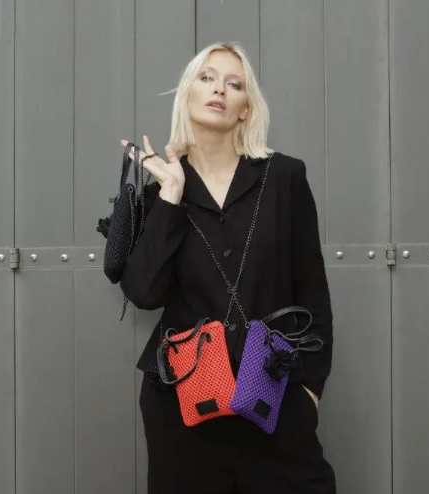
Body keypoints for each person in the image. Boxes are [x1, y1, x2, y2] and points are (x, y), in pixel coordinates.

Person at [120, 42, 336, 494]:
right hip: (183, 405)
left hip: (272, 396)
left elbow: (312, 289)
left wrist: (309, 390)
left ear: (245, 108)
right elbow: (143, 293)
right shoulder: (161, 189)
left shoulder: (285, 177)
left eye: (233, 84)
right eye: (207, 78)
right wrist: (171, 196)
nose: (219, 89)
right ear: (188, 95)